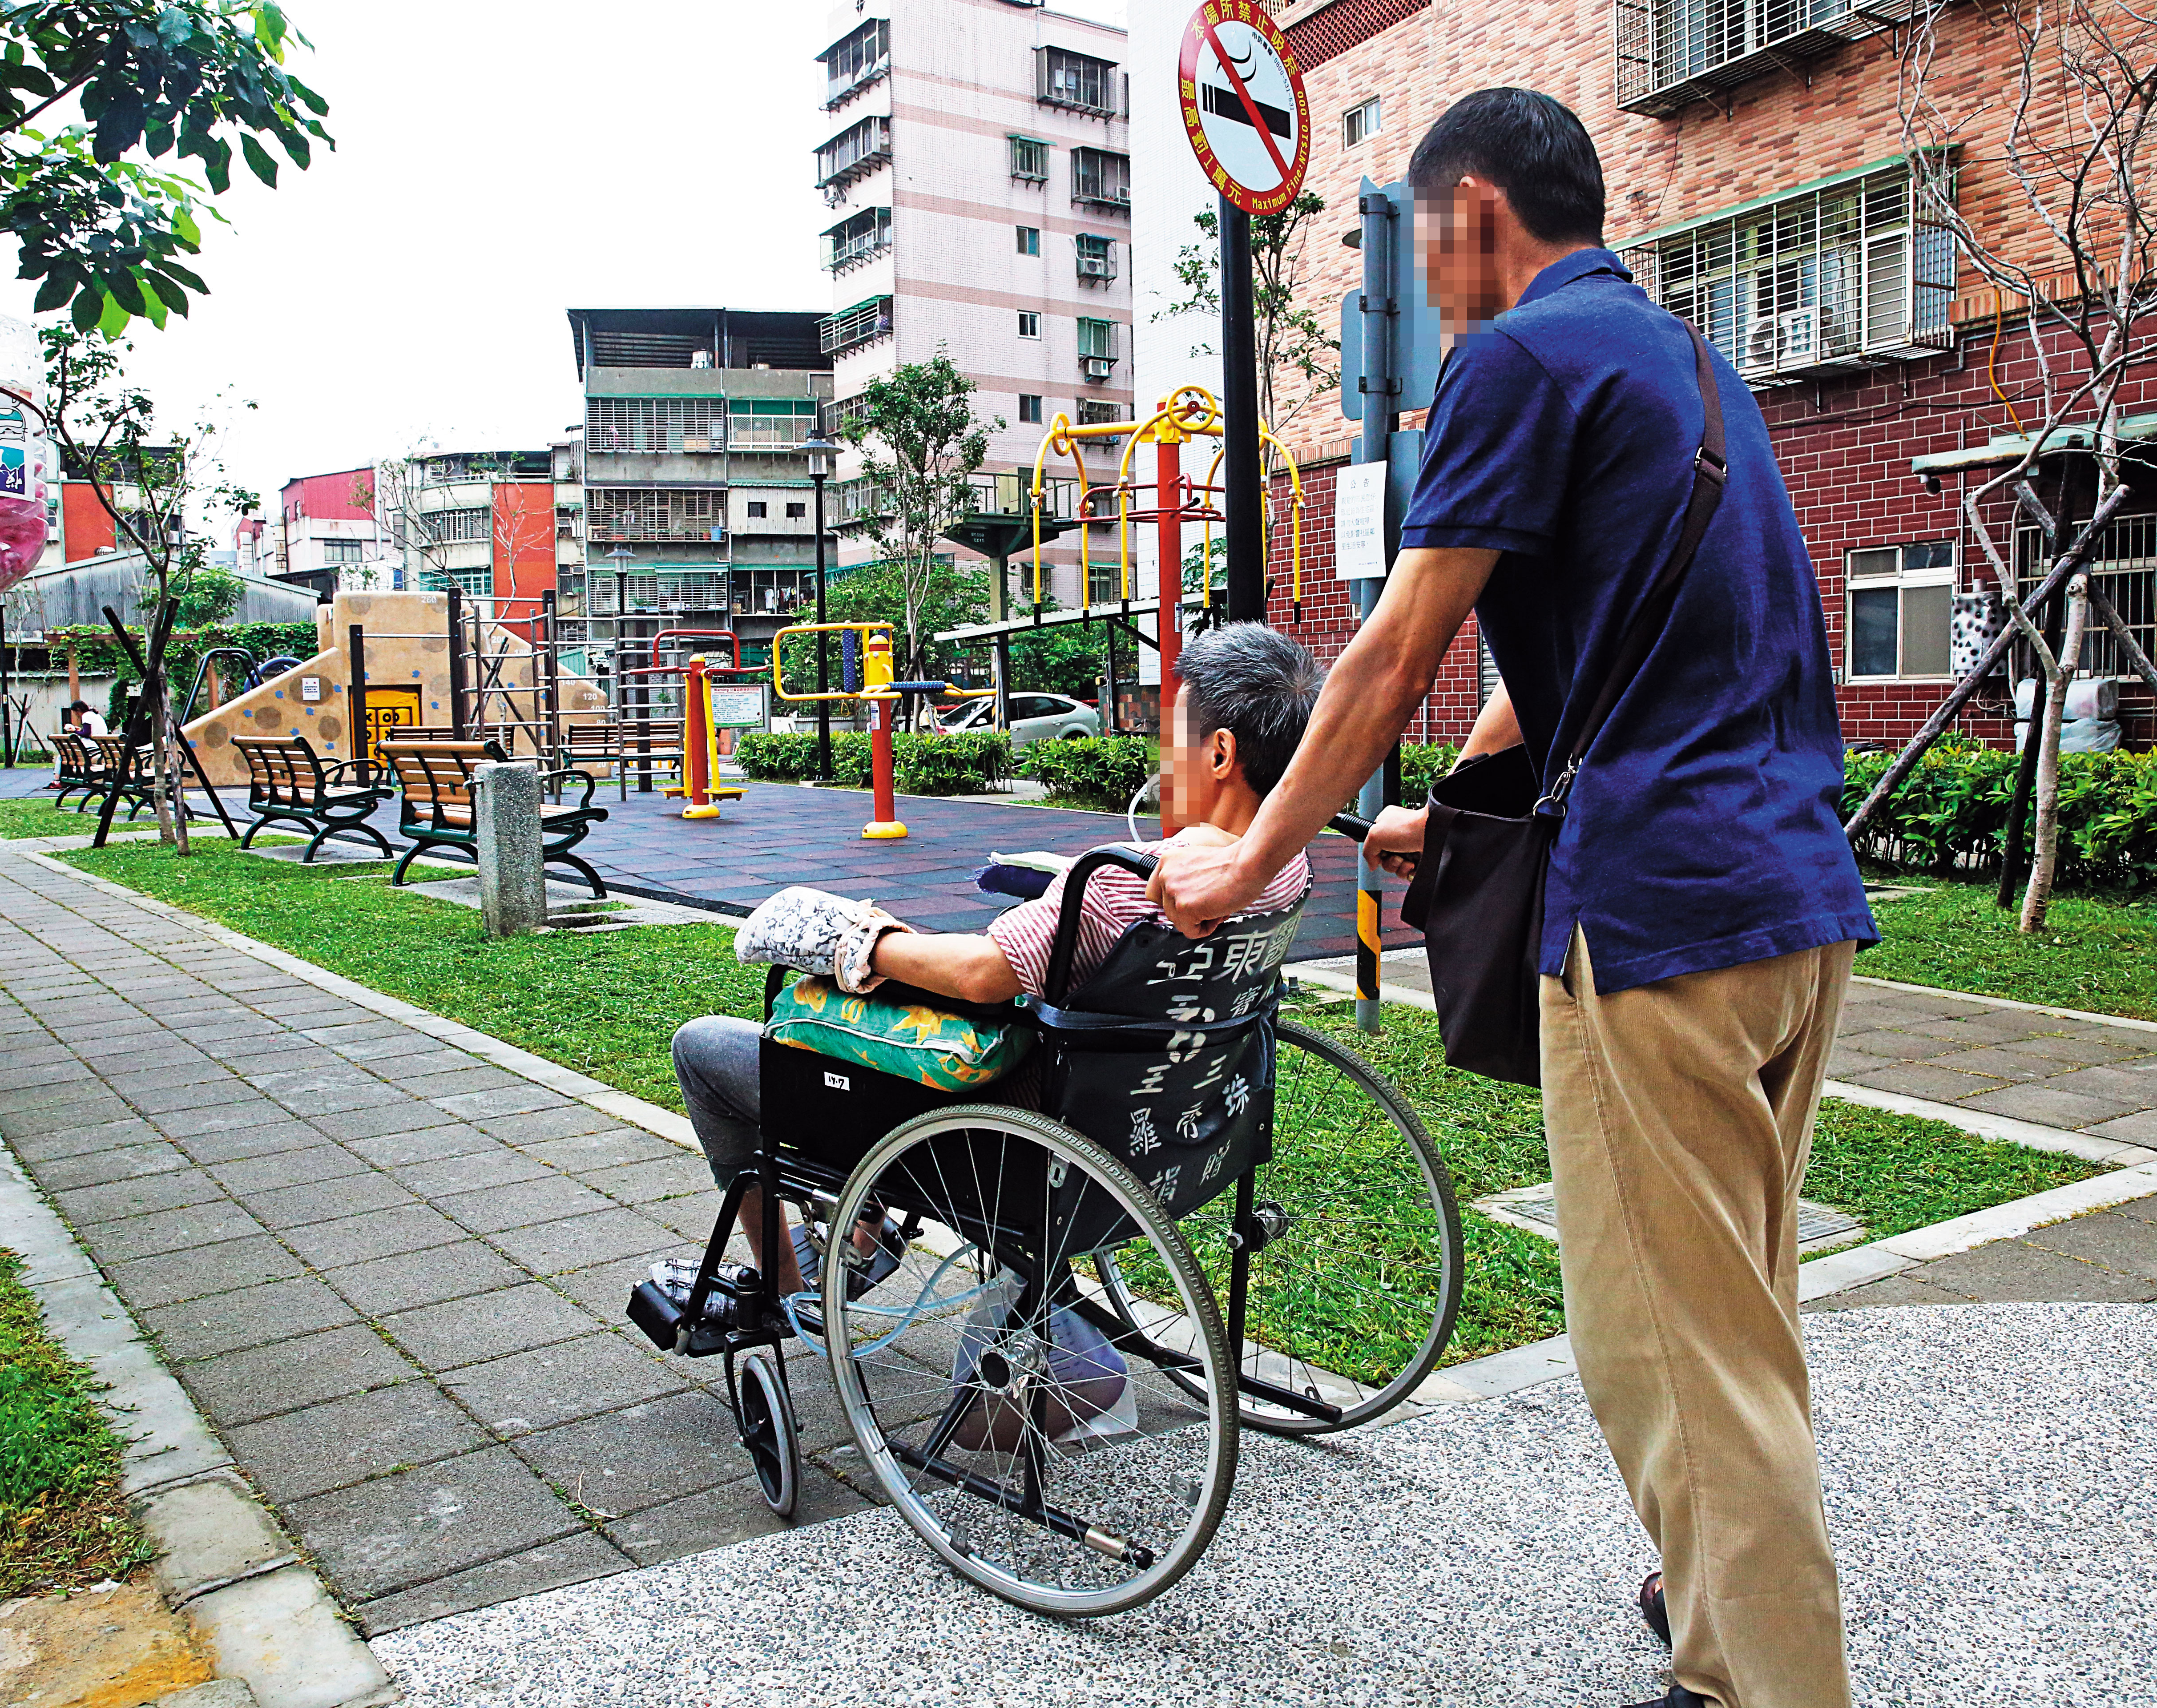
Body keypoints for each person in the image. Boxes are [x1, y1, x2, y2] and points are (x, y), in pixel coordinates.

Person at [1148, 90, 1875, 1708]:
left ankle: (1757, 1683)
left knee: (1668, 1349)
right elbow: (1568, 674)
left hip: (1657, 926)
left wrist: (1255, 853)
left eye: (1412, 239)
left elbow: (1399, 647)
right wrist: (1443, 814)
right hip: (1797, 903)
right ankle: (1715, 1586)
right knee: (1737, 1317)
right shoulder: (1690, 369)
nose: (1422, 280)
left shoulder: (1516, 361)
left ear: (1473, 213)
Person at [654, 621, 1323, 1319]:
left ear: (1219, 754)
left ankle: (785, 1292)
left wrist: (853, 939)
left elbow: (981, 976)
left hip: (1005, 1137)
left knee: (704, 1048)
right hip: (1169, 1128)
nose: (1160, 754)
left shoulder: (1118, 883)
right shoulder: (1284, 869)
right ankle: (859, 1227)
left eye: (1172, 735)